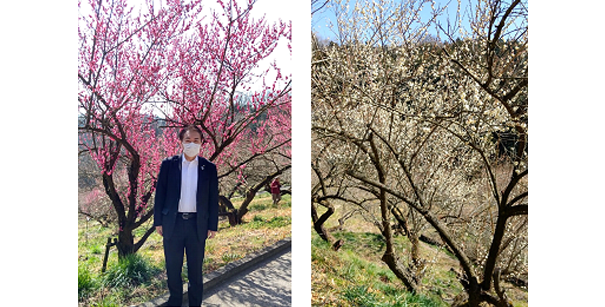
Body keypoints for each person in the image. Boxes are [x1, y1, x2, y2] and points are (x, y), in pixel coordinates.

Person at [154, 125, 219, 307]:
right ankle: (174, 302)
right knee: (173, 268)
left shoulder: (209, 168)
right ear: (181, 142)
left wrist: (212, 225)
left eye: (196, 140)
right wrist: (158, 221)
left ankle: (195, 303)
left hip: (196, 225)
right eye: (188, 140)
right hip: (172, 224)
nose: (192, 143)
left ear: (201, 143)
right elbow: (160, 194)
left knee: (195, 270)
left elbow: (213, 198)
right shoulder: (169, 165)